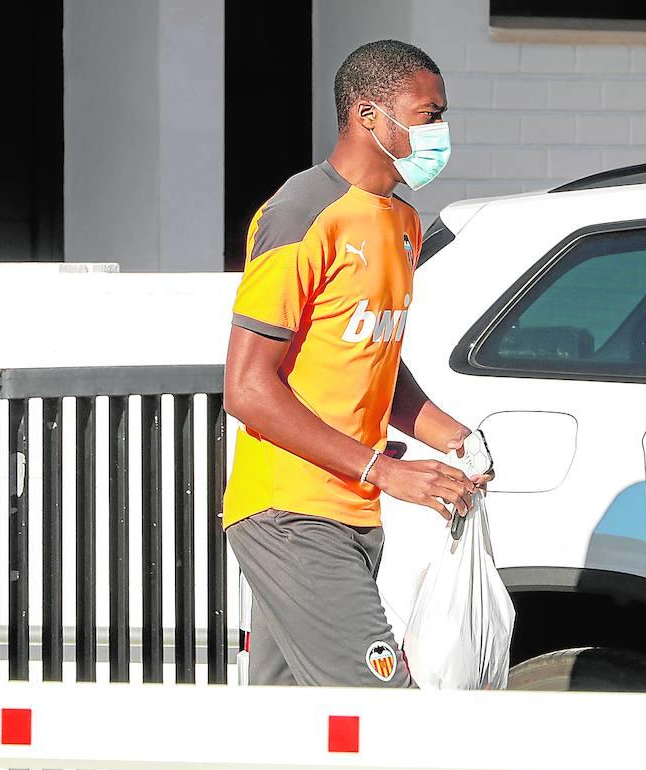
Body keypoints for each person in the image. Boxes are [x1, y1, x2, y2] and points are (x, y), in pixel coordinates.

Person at [221, 39, 490, 688]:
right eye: (429, 115)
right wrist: (385, 471)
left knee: (295, 730)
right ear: (369, 116)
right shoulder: (302, 212)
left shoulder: (403, 220)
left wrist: (455, 437)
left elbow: (372, 358)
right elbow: (248, 388)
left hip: (351, 511)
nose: (440, 133)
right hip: (291, 511)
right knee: (380, 711)